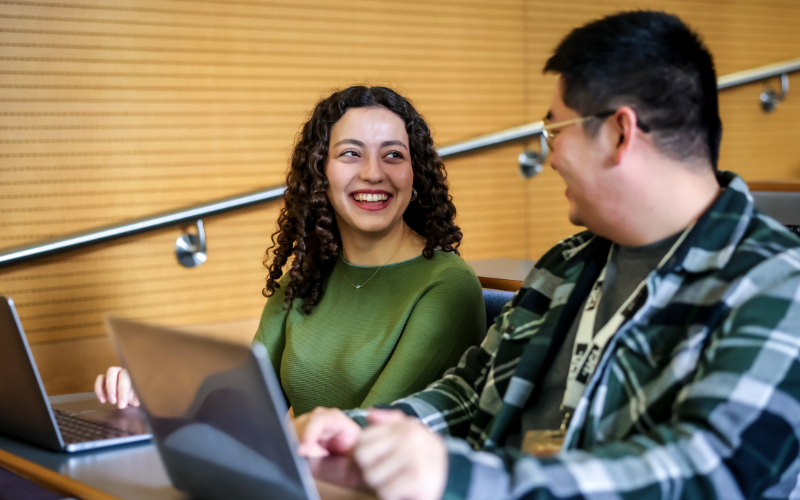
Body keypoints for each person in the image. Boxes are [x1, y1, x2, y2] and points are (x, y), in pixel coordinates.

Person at [294, 12, 800, 500]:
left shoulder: (777, 285)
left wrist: (457, 477)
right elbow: (471, 393)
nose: (551, 156)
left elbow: (706, 474)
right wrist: (357, 433)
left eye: (556, 131)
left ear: (620, 133)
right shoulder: (566, 264)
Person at [94, 86, 486, 415]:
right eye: (351, 153)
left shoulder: (447, 287)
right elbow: (244, 404)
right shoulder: (306, 280)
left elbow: (370, 432)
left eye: (393, 155)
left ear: (414, 174)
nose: (373, 172)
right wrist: (155, 388)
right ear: (321, 174)